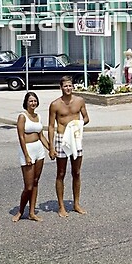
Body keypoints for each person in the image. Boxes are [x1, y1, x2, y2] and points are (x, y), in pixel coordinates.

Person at [48, 75, 90, 218]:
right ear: (61, 87)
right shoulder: (55, 104)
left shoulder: (79, 101)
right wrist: (51, 147)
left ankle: (76, 203)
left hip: (76, 138)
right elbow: (51, 126)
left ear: (73, 86)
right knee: (61, 173)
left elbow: (86, 118)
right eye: (65, 86)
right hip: (61, 138)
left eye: (70, 85)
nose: (68, 88)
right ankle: (61, 206)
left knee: (76, 172)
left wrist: (77, 125)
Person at [12, 91, 49, 222]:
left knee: (35, 182)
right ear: (26, 103)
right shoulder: (22, 117)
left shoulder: (38, 116)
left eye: (34, 101)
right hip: (27, 150)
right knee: (28, 186)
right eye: (30, 101)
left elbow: (41, 136)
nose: (33, 103)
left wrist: (50, 149)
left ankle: (32, 212)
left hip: (39, 150)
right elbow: (21, 136)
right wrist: (27, 155)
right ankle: (21, 211)